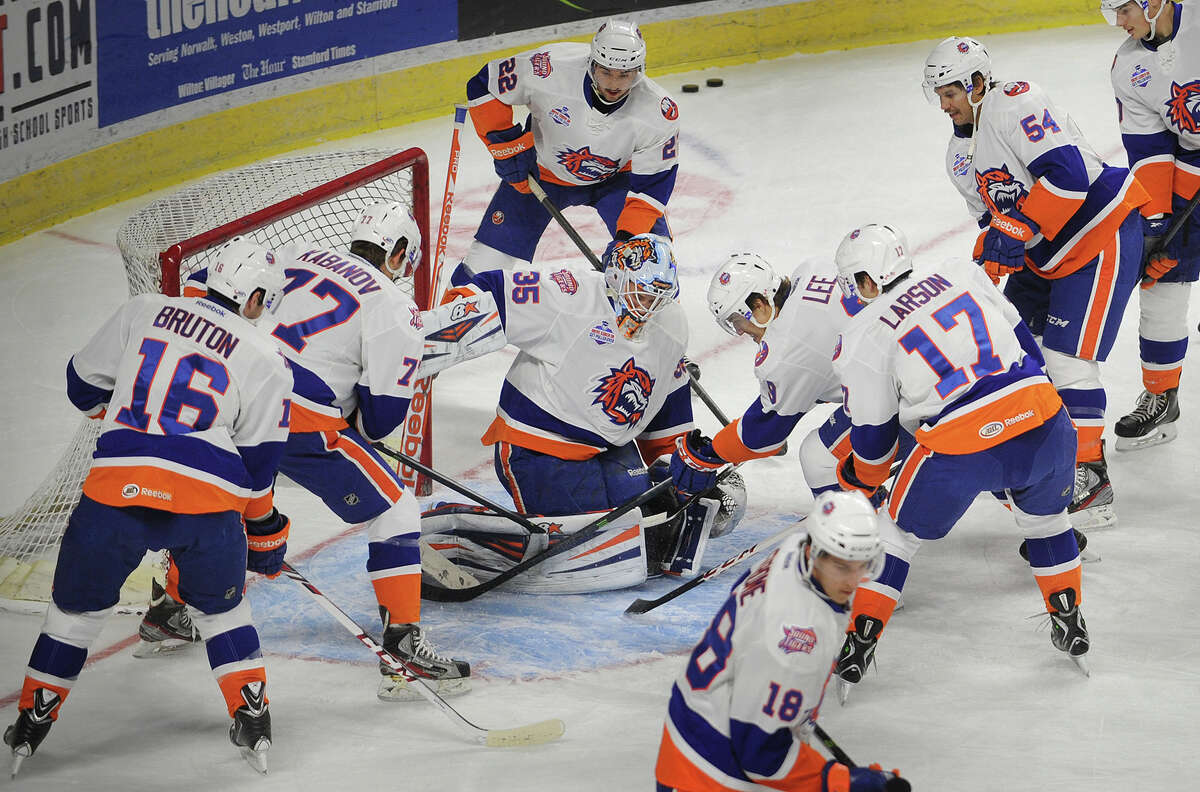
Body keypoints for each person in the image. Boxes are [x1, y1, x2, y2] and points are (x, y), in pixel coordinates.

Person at [139, 202, 472, 702]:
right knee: (397, 510)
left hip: (225, 392)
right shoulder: (393, 307)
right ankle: (403, 647)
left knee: (235, 498)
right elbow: (380, 420)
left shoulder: (297, 252)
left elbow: (202, 289)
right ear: (399, 254)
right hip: (297, 414)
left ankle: (171, 612)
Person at [4, 238, 292, 776]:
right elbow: (256, 475)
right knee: (222, 609)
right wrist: (266, 538)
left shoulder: (144, 309)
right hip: (205, 505)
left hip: (116, 491)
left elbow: (80, 387)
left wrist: (123, 419)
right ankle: (252, 718)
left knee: (76, 610)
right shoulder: (266, 357)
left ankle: (32, 720)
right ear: (253, 297)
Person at [829, 225, 1091, 700]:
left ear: (868, 280)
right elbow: (1026, 347)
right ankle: (1068, 616)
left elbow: (872, 438)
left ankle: (859, 642)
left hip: (959, 445)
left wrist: (862, 478)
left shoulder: (863, 334)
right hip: (1044, 418)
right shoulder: (961, 273)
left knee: (895, 536)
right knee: (1048, 521)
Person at [922, 35, 1152, 530]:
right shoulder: (957, 156)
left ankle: (1089, 479)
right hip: (1045, 250)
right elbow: (996, 220)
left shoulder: (1015, 100)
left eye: (951, 93)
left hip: (1098, 228)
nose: (944, 105)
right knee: (1015, 351)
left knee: (1067, 359)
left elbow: (1067, 177)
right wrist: (994, 253)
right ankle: (1041, 464)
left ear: (977, 82)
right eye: (938, 95)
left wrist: (1014, 230)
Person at [432, 235, 738, 585]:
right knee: (595, 541)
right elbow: (492, 290)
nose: (648, 306)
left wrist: (681, 469)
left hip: (611, 449)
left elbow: (670, 399)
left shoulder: (671, 324)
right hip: (540, 447)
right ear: (615, 278)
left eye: (658, 296)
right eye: (641, 292)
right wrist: (435, 335)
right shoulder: (570, 295)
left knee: (647, 524)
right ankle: (459, 534)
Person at [655, 490, 909, 792]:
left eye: (863, 564)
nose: (854, 581)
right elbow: (761, 757)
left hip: (699, 719)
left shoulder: (791, 551)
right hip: (708, 772)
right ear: (815, 553)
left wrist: (782, 700)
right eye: (842, 567)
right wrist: (841, 782)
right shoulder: (795, 639)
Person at [462, 18, 679, 272]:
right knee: (482, 267)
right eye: (606, 71)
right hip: (541, 174)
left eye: (625, 75)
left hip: (618, 179)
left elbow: (652, 188)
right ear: (592, 63)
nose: (614, 84)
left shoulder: (659, 111)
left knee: (652, 266)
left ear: (639, 71)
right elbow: (484, 84)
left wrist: (626, 239)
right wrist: (507, 147)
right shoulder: (549, 67)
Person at [1102, 0, 1200, 450]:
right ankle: (1163, 399)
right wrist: (1160, 229)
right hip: (1192, 166)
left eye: (1123, 11)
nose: (1119, 23)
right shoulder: (1129, 65)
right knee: (1164, 278)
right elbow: (1152, 152)